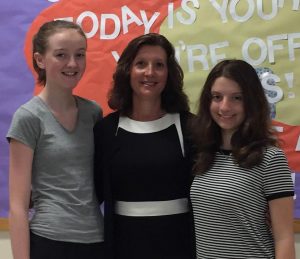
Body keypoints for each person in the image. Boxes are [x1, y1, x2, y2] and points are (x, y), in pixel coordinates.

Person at [7, 20, 104, 259]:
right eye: (61, 55)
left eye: (79, 55)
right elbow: (18, 207)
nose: (72, 64)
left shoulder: (94, 113)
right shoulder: (28, 117)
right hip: (49, 242)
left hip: (97, 241)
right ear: (40, 60)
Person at [94, 33, 196, 259]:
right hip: (124, 246)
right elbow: (92, 191)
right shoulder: (106, 130)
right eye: (141, 64)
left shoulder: (191, 127)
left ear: (169, 73)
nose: (150, 72)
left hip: (179, 246)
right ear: (128, 70)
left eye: (159, 65)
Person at [190, 59, 295, 259]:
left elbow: (284, 238)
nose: (225, 107)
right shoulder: (204, 156)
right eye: (217, 97)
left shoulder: (271, 159)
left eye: (237, 98)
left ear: (252, 102)